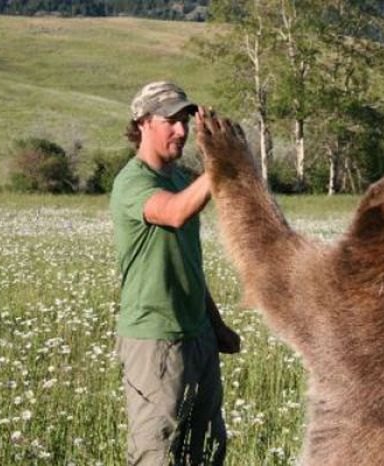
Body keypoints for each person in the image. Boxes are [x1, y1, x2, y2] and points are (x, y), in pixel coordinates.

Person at [110, 81, 240, 466]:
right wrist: (220, 163)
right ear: (143, 122)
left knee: (205, 451)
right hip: (156, 342)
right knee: (158, 454)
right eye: (170, 121)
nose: (181, 131)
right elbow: (174, 212)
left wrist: (215, 326)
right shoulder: (132, 182)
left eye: (185, 121)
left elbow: (189, 266)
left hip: (197, 337)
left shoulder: (182, 180)